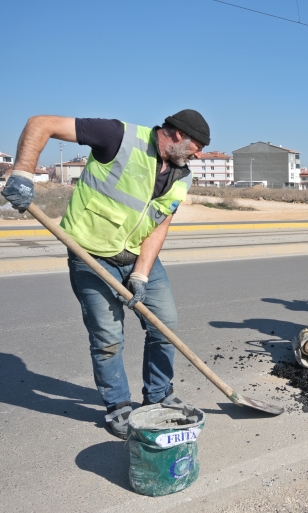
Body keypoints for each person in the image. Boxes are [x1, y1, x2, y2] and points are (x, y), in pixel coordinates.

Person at [2, 110, 210, 438]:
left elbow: (159, 226)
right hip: (92, 255)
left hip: (140, 256)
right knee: (108, 338)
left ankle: (158, 395)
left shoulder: (182, 175)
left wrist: (141, 274)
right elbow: (40, 124)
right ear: (174, 134)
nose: (198, 155)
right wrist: (23, 173)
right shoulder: (118, 137)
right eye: (195, 146)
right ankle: (118, 405)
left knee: (165, 326)